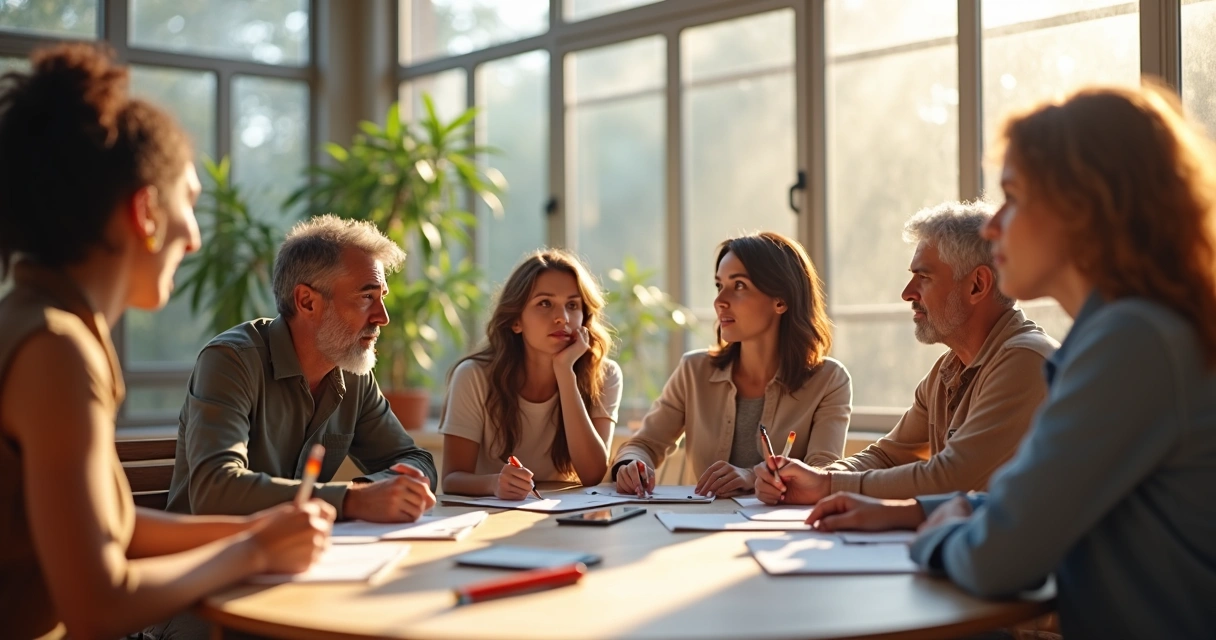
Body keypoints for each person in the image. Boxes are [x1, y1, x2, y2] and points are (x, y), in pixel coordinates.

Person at [807, 83, 1216, 638]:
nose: (994, 226)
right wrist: (922, 511)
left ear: (1084, 208)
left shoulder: (1130, 341)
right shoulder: (1132, 331)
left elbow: (1000, 557)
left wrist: (935, 529)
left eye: (1013, 198)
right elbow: (1038, 499)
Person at [0, 44, 333, 640]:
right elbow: (97, 606)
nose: (197, 238)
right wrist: (254, 553)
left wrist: (261, 530)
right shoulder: (56, 350)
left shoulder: (39, 320)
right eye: (190, 201)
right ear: (146, 211)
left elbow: (115, 528)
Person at [754, 203, 1056, 504]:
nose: (907, 293)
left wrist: (828, 484)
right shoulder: (948, 369)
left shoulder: (1027, 360)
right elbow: (888, 455)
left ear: (977, 285)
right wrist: (814, 478)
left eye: (924, 277)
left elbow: (953, 478)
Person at [167, 215, 438, 523]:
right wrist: (352, 500)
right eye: (366, 297)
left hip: (297, 554)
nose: (382, 317)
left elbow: (417, 461)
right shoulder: (230, 361)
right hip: (208, 558)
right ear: (307, 302)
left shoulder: (352, 373)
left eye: (381, 298)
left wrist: (371, 492)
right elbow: (215, 491)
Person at [612, 231, 851, 498]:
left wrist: (751, 476)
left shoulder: (830, 380)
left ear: (781, 300)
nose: (719, 301)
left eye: (738, 286)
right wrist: (631, 464)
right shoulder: (694, 370)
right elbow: (644, 443)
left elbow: (825, 472)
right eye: (718, 286)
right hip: (697, 531)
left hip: (780, 533)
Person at [440, 249, 622, 497]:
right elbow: (452, 478)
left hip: (566, 519)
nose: (562, 318)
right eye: (545, 303)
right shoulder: (473, 376)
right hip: (493, 519)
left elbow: (592, 475)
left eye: (572, 305)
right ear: (516, 321)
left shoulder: (604, 374)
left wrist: (565, 373)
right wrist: (494, 484)